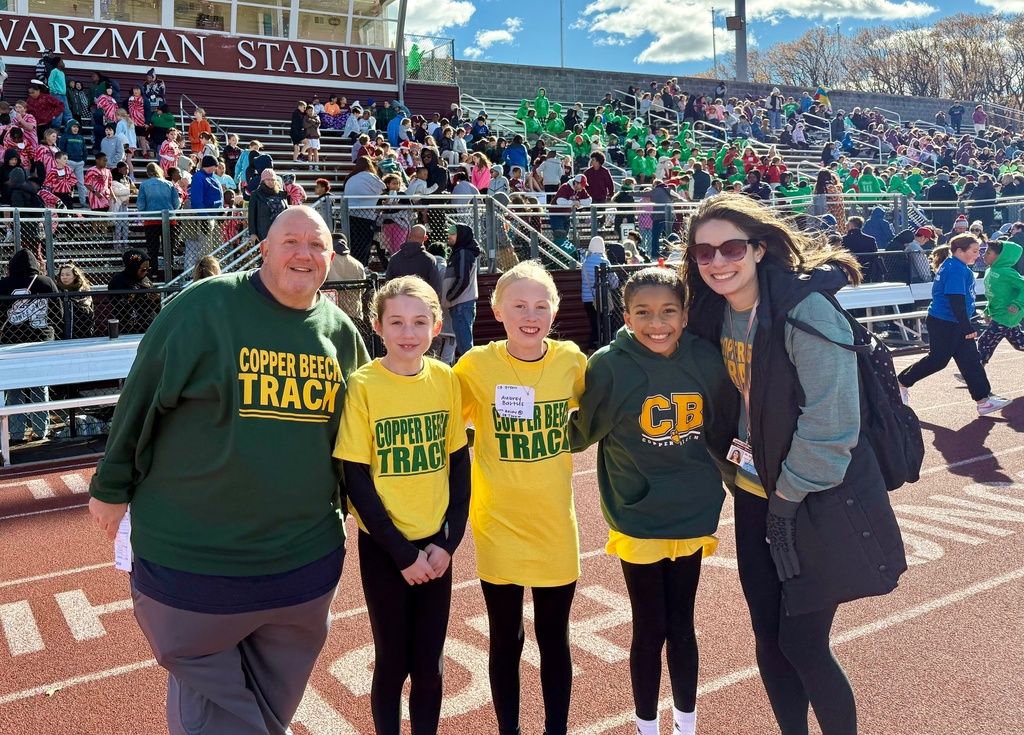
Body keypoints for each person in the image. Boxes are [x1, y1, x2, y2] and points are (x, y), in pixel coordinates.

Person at [87, 207, 369, 735]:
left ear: (331, 257)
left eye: (316, 244)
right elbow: (141, 395)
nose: (304, 254)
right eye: (290, 241)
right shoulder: (205, 305)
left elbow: (357, 437)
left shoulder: (341, 332)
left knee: (266, 709)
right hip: (195, 563)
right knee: (214, 716)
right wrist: (110, 485)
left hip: (302, 565)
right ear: (263, 249)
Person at [682, 195, 907, 735]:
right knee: (768, 638)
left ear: (759, 248)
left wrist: (786, 500)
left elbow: (832, 422)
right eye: (704, 252)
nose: (718, 262)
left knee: (802, 641)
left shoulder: (805, 310)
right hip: (753, 495)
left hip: (811, 498)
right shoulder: (711, 312)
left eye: (732, 248)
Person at [570, 267, 737, 735]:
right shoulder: (609, 365)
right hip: (637, 514)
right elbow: (579, 434)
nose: (656, 323)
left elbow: (726, 428)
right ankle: (646, 727)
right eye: (642, 312)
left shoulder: (704, 358)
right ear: (625, 316)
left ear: (685, 315)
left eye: (668, 311)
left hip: (693, 511)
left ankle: (686, 725)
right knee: (648, 627)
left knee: (682, 624)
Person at [453, 261, 586, 735]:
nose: (531, 316)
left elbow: (603, 409)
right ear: (496, 310)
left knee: (555, 639)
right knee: (505, 639)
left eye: (541, 306)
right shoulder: (475, 366)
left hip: (555, 525)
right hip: (498, 524)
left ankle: (556, 730)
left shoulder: (572, 361)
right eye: (519, 306)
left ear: (555, 310)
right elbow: (441, 419)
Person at [334, 276, 470, 735]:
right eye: (396, 322)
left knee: (429, 666)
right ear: (377, 326)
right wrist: (402, 554)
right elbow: (355, 478)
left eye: (418, 322)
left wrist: (448, 544)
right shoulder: (363, 384)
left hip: (436, 549)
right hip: (385, 548)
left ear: (436, 327)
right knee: (392, 663)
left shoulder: (446, 379)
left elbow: (459, 466)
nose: (408, 333)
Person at [898, 235, 1012, 416]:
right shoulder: (955, 269)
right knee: (938, 361)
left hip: (953, 321)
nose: (978, 255)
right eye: (974, 251)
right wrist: (966, 326)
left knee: (971, 360)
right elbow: (955, 299)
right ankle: (900, 383)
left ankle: (983, 401)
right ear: (959, 251)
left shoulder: (957, 266)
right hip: (945, 323)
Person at [0, 249, 59, 442]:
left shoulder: (3, 284)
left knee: (13, 388)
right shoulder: (46, 282)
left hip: (11, 342)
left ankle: (16, 433)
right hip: (41, 339)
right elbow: (58, 313)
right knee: (39, 386)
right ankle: (41, 431)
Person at [136, 162, 182, 276]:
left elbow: (140, 205)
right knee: (169, 248)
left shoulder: (144, 185)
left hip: (151, 220)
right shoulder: (169, 184)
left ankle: (153, 273)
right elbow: (177, 203)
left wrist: (145, 214)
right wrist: (171, 211)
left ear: (148, 172)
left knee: (152, 248)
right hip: (168, 219)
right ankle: (169, 271)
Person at [445, 223, 480, 359]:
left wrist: (450, 296)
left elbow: (463, 279)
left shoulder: (463, 253)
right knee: (464, 345)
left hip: (461, 304)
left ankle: (472, 370)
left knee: (465, 347)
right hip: (460, 304)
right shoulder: (459, 252)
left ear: (461, 236)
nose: (449, 236)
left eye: (452, 234)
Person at [106, 249, 160, 334]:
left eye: (148, 269)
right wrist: (140, 292)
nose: (146, 273)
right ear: (134, 268)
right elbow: (121, 305)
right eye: (143, 270)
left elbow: (156, 308)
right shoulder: (118, 280)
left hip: (147, 324)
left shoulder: (144, 280)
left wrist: (155, 299)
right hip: (127, 326)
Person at [344, 156, 385, 267]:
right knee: (364, 244)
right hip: (366, 216)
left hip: (350, 214)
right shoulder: (370, 176)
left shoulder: (351, 178)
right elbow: (383, 187)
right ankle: (362, 267)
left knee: (354, 244)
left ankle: (354, 267)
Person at [384, 224, 442, 296]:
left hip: (399, 300)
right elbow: (436, 288)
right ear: (425, 238)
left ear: (409, 235)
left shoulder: (394, 259)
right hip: (422, 299)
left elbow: (388, 286)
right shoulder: (429, 259)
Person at [580, 236, 614, 351]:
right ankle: (604, 349)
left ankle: (592, 350)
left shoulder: (585, 263)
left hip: (587, 299)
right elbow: (614, 282)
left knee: (594, 326)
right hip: (602, 298)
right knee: (605, 325)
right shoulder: (605, 261)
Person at [248, 168, 290, 244]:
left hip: (282, 232)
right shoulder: (256, 194)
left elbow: (287, 212)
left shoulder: (281, 194)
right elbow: (252, 215)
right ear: (263, 181)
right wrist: (252, 233)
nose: (270, 182)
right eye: (268, 180)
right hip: (265, 233)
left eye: (272, 180)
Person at [56, 261, 95, 339]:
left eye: (68, 275)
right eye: (62, 275)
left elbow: (89, 312)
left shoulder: (84, 291)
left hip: (82, 330)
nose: (64, 277)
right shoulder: (56, 290)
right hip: (60, 332)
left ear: (75, 276)